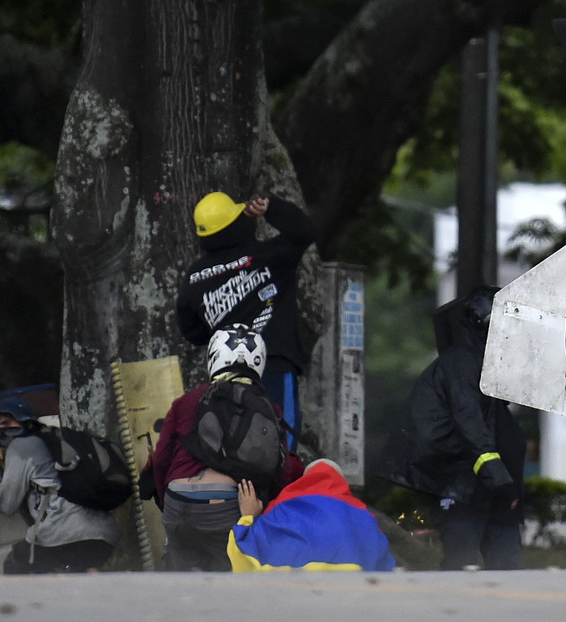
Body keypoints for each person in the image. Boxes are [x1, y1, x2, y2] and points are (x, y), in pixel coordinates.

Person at [379, 286, 526, 570]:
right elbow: (471, 426)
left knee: (507, 569)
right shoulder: (462, 364)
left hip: (489, 493)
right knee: (461, 568)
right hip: (464, 492)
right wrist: (502, 482)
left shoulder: (483, 364)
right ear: (486, 324)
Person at [149, 324, 302, 571]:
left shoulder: (185, 402)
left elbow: (161, 460)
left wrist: (167, 504)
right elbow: (280, 472)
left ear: (213, 357)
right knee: (228, 583)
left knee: (177, 584)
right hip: (228, 507)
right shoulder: (268, 409)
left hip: (177, 500)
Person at [176, 191, 319, 450]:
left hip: (226, 376)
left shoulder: (194, 278)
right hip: (274, 364)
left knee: (234, 447)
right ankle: (278, 490)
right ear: (236, 224)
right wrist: (271, 207)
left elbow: (192, 331)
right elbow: (305, 231)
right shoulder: (269, 256)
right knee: (281, 444)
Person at [0, 397, 119, 573]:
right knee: (76, 576)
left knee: (15, 564)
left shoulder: (21, 445)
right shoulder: (57, 440)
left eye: (7, 422)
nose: (2, 430)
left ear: (27, 422)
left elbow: (5, 504)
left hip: (63, 532)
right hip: (104, 534)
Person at [228, 459, 395, 572]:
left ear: (303, 480)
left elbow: (243, 557)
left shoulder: (279, 512)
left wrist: (249, 517)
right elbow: (386, 573)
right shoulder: (364, 520)